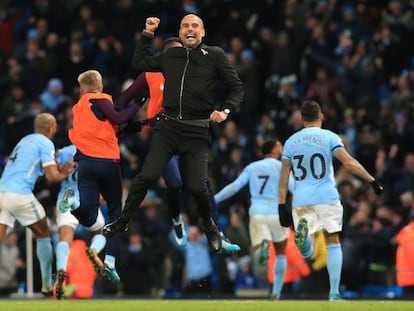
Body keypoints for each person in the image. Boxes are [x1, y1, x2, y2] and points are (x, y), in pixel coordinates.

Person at [103, 15, 244, 254]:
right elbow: (139, 62)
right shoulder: (169, 57)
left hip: (196, 130)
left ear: (203, 32)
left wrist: (226, 110)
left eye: (195, 25)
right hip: (167, 129)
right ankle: (123, 221)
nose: (190, 29)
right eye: (185, 26)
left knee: (199, 188)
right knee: (146, 178)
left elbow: (237, 87)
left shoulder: (216, 55)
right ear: (179, 32)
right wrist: (147, 34)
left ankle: (210, 227)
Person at [278, 100, 384, 301]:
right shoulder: (329, 137)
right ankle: (334, 293)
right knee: (333, 242)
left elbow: (284, 176)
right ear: (322, 116)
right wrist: (372, 180)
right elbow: (348, 163)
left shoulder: (291, 142)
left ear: (301, 119)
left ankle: (304, 242)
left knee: (308, 252)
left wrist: (281, 204)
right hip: (326, 196)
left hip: (301, 199)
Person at [68, 70, 139, 282]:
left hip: (86, 165)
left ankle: (72, 203)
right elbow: (117, 116)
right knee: (117, 214)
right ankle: (109, 261)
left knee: (89, 216)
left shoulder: (78, 108)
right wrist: (137, 105)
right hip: (107, 163)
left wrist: (128, 131)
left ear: (81, 90)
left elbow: (105, 130)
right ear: (100, 87)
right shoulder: (100, 99)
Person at [0, 113, 73, 296]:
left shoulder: (25, 141)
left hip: (2, 192)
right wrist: (64, 172)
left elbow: (33, 168)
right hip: (20, 195)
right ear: (50, 128)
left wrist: (53, 160)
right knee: (43, 233)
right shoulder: (45, 142)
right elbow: (51, 177)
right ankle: (48, 285)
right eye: (55, 126)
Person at [214, 139, 294, 299]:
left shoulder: (252, 167)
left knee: (257, 251)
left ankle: (262, 248)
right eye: (279, 146)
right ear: (273, 150)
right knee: (280, 253)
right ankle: (276, 293)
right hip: (276, 213)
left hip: (257, 212)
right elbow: (294, 188)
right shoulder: (282, 167)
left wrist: (214, 199)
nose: (282, 148)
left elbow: (234, 187)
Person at [52, 144, 109, 299]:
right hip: (87, 199)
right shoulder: (96, 150)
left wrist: (60, 166)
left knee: (64, 240)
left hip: (64, 197)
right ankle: (94, 250)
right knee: (101, 232)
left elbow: (50, 174)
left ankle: (60, 275)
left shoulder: (63, 152)